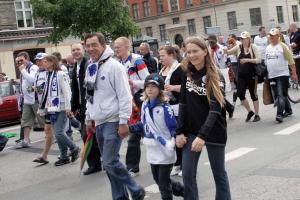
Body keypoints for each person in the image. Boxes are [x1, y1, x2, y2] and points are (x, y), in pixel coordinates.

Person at [84, 32, 145, 200]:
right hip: (99, 121)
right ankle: (120, 196)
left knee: (109, 162)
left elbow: (125, 95)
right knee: (110, 164)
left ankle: (135, 189)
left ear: (103, 45)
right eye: (87, 46)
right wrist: (88, 117)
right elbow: (89, 95)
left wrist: (124, 121)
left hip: (113, 120)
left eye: (94, 45)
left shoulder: (114, 66)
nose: (90, 49)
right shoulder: (91, 67)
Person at [176, 36, 231, 200]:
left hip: (213, 131)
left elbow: (215, 110)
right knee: (187, 174)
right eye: (189, 51)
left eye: (195, 51)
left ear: (205, 51)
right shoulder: (186, 72)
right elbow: (183, 103)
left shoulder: (215, 76)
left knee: (218, 173)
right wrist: (179, 131)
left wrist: (202, 136)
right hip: (191, 131)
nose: (192, 55)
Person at [141, 74, 184, 199]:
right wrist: (129, 128)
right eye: (147, 86)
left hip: (165, 148)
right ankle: (183, 190)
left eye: (153, 87)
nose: (150, 89)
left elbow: (173, 127)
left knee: (163, 184)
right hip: (152, 149)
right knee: (158, 179)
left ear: (159, 89)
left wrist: (174, 141)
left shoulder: (165, 107)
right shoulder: (145, 105)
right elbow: (144, 125)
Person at [114, 36, 149, 177]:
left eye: (118, 47)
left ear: (127, 47)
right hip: (127, 102)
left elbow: (147, 80)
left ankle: (132, 168)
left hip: (139, 100)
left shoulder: (137, 60)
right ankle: (132, 167)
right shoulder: (117, 62)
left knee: (139, 133)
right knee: (135, 134)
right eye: (115, 47)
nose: (116, 49)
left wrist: (132, 83)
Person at [40, 55, 80, 166]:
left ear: (52, 62)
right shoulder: (48, 75)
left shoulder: (60, 74)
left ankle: (74, 148)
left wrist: (68, 107)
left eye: (45, 61)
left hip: (62, 107)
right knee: (58, 133)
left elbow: (67, 92)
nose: (43, 63)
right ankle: (64, 156)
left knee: (58, 132)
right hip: (52, 107)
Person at [71, 43, 102, 175]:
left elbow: (89, 89)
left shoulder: (87, 64)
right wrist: (74, 107)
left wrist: (87, 107)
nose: (76, 52)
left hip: (90, 106)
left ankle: (95, 164)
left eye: (78, 49)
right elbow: (76, 89)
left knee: (88, 135)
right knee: (92, 136)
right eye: (73, 50)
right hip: (83, 108)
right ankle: (99, 162)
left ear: (83, 50)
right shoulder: (75, 67)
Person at [158, 45, 183, 176]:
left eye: (163, 55)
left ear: (172, 55)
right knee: (170, 137)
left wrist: (173, 87)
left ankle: (183, 164)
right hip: (166, 108)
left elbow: (187, 87)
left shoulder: (180, 68)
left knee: (179, 136)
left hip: (179, 108)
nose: (160, 58)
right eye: (160, 56)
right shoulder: (161, 69)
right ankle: (176, 163)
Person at [226, 31, 261, 122]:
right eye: (241, 38)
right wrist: (225, 49)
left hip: (252, 74)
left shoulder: (253, 47)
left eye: (244, 38)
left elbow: (258, 60)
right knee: (240, 94)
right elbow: (228, 52)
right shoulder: (239, 47)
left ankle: (257, 115)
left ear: (249, 39)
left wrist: (247, 60)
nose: (242, 40)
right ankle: (250, 111)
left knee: (253, 95)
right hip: (241, 75)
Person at [265, 28, 298, 123]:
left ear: (278, 36)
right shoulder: (268, 47)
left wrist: (294, 74)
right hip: (272, 75)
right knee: (278, 95)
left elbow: (291, 61)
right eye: (270, 36)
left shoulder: (283, 46)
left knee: (280, 95)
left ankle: (279, 114)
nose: (271, 37)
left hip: (282, 74)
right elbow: (267, 62)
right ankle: (288, 110)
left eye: (273, 36)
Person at [15, 51, 41, 148]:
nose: (19, 63)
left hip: (35, 99)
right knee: (25, 121)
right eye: (17, 62)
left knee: (43, 120)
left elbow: (32, 80)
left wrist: (23, 71)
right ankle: (26, 140)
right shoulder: (24, 69)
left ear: (27, 59)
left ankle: (53, 136)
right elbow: (27, 86)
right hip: (27, 100)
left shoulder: (33, 67)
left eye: (21, 60)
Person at [32, 53, 53, 164]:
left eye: (41, 60)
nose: (38, 63)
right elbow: (38, 89)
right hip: (44, 106)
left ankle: (72, 149)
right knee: (50, 131)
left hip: (53, 106)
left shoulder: (50, 72)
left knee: (54, 131)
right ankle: (44, 156)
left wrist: (38, 89)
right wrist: (34, 89)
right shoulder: (37, 73)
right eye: (37, 61)